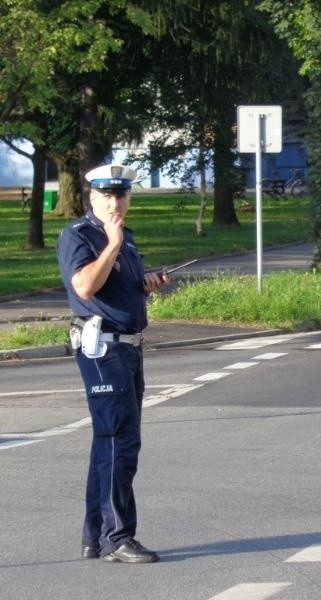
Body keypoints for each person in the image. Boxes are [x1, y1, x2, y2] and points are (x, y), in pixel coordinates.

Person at [56, 164, 170, 564]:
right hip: (102, 348)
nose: (115, 202)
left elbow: (117, 284)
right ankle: (117, 537)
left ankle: (95, 537)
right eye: (107, 196)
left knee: (108, 441)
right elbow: (85, 285)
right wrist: (112, 244)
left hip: (128, 347)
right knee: (120, 441)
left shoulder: (125, 239)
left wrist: (146, 282)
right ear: (92, 197)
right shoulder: (81, 235)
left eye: (122, 195)